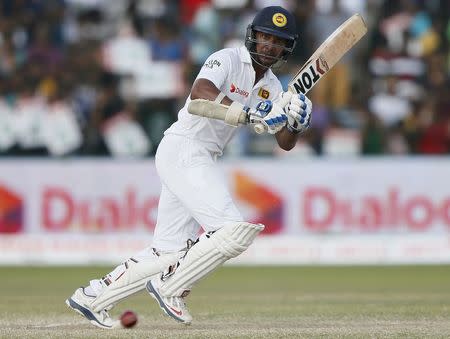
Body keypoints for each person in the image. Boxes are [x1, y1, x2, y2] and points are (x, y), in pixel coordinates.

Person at [65, 5, 312, 328]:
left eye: (278, 41)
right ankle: (171, 288)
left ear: (285, 47)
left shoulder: (273, 88)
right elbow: (199, 94)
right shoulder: (226, 58)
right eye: (265, 37)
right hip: (183, 148)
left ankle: (92, 297)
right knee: (231, 231)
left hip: (200, 157)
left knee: (166, 253)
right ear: (253, 35)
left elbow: (284, 143)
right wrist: (246, 113)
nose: (270, 46)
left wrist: (295, 122)